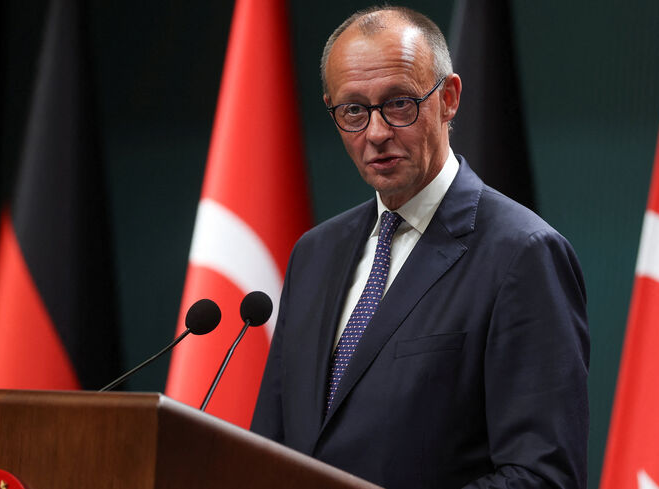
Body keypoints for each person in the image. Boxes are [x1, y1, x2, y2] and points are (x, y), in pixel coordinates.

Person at [251, 6, 589, 488]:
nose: (376, 133)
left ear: (448, 98)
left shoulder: (523, 254)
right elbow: (269, 447)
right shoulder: (314, 253)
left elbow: (541, 476)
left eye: (399, 103)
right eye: (353, 110)